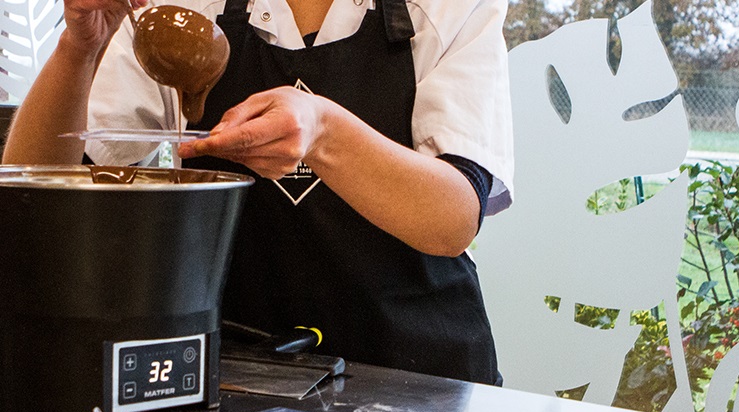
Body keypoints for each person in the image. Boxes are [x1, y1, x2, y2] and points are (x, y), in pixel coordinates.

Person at [2, 0, 514, 385]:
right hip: (240, 378)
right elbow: (38, 190)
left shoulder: (449, 7)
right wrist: (80, 47)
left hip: (421, 378)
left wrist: (323, 132)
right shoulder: (186, 10)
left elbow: (453, 218)